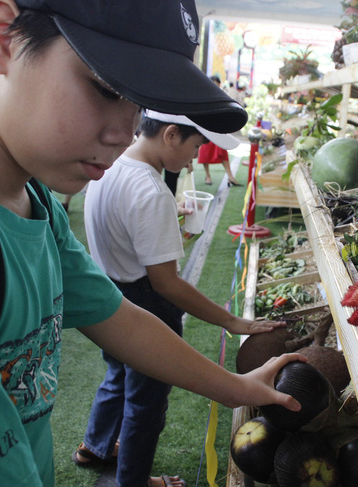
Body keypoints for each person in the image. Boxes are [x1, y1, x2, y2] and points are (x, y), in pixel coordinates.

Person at [0, 1, 303, 486]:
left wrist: (235, 388)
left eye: (137, 103)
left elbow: (119, 319)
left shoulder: (34, 201)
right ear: (3, 37)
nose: (124, 132)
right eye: (106, 88)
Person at [76, 110, 268, 487]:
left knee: (117, 375)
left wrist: (166, 227)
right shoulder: (151, 190)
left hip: (110, 292)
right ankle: (133, 480)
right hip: (146, 303)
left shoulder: (110, 167)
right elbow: (167, 284)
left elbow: (125, 233)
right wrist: (231, 320)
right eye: (195, 146)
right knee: (146, 403)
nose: (195, 157)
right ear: (170, 135)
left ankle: (95, 445)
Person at [198, 75, 241, 186]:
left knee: (222, 151)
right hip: (205, 128)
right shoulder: (202, 95)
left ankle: (230, 176)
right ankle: (208, 176)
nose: (215, 86)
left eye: (217, 84)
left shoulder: (221, 95)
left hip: (217, 128)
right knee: (205, 153)